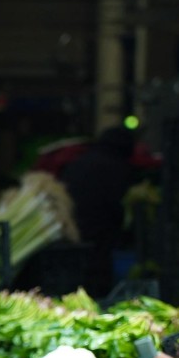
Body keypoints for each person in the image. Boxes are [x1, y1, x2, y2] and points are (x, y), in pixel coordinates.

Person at [57, 125, 138, 299]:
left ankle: (81, 300)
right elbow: (116, 202)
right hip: (101, 229)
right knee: (98, 273)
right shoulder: (116, 166)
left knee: (81, 273)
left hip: (76, 227)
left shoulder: (80, 162)